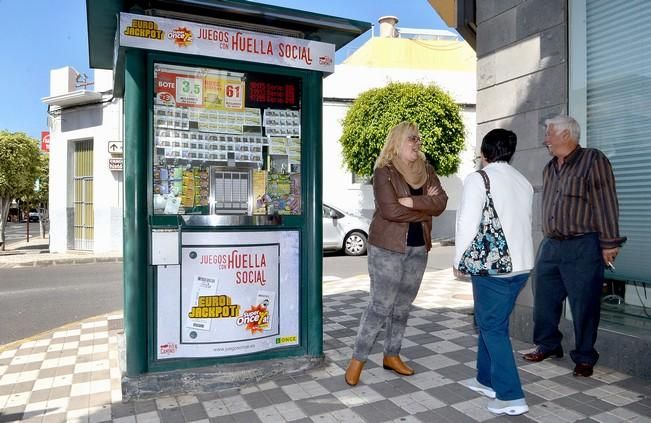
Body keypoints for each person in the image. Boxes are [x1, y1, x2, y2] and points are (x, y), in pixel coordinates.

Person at [344, 121, 448, 386]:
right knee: (380, 306)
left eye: (418, 138)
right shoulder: (384, 172)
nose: (418, 142)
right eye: (412, 138)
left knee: (402, 307)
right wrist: (426, 206)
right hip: (387, 247)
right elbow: (390, 211)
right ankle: (357, 360)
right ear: (398, 141)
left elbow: (441, 202)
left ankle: (392, 355)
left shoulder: (427, 170)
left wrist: (412, 202)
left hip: (417, 247)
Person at [523, 115, 626, 378]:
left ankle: (584, 356)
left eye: (549, 134)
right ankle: (548, 344)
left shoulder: (593, 160)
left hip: (583, 244)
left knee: (584, 304)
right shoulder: (550, 167)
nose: (545, 140)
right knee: (544, 298)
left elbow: (606, 203)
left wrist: (609, 242)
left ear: (566, 135)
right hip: (552, 244)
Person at [453, 129, 533, 416]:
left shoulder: (479, 178)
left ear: (485, 152)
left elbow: (466, 223)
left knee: (492, 327)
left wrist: (459, 260)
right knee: (491, 322)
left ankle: (511, 396)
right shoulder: (522, 181)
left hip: (493, 268)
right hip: (521, 266)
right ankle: (485, 379)